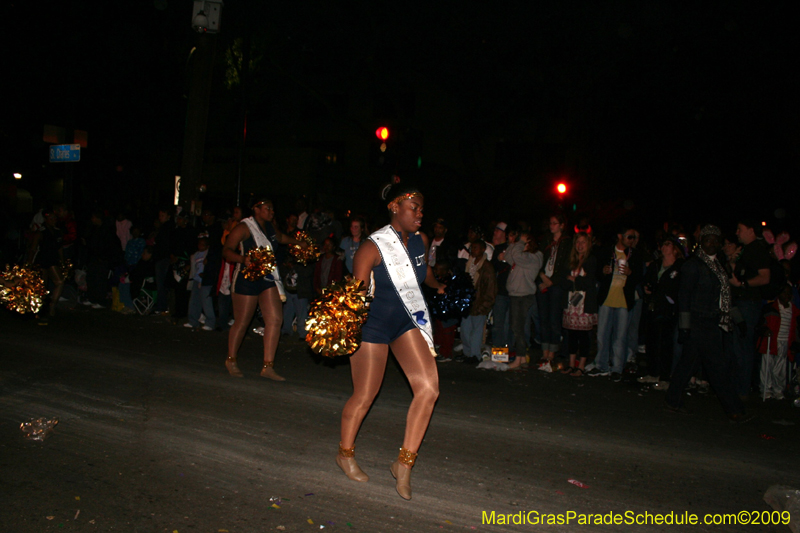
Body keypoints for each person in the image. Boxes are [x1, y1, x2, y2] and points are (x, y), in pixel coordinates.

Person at [336, 183, 445, 500]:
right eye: (415, 208)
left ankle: (404, 464)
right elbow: (356, 293)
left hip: (405, 323)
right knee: (365, 394)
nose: (420, 215)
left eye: (422, 209)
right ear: (395, 208)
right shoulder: (372, 247)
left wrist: (439, 286)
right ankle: (344, 453)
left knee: (429, 388)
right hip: (373, 327)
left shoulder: (422, 240)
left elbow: (421, 274)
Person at [666, 225, 752, 422]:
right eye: (708, 240)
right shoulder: (693, 265)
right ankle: (734, 409)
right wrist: (685, 326)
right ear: (701, 242)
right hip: (699, 322)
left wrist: (738, 319)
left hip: (712, 322)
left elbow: (726, 296)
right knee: (717, 367)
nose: (712, 244)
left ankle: (672, 400)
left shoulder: (720, 265)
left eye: (715, 240)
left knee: (688, 364)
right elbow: (684, 297)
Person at [223, 198, 308, 381]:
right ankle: (231, 359)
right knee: (242, 321)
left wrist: (298, 243)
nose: (272, 212)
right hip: (247, 278)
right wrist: (242, 259)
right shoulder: (244, 227)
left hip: (268, 277)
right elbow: (227, 250)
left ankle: (268, 366)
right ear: (256, 209)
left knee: (275, 320)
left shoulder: (270, 227)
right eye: (268, 208)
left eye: (272, 208)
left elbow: (281, 238)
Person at [729, 218, 771, 398]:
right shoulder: (745, 250)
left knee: (743, 346)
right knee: (736, 344)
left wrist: (743, 285)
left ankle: (742, 389)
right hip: (740, 302)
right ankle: (737, 386)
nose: (737, 232)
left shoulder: (758, 250)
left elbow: (764, 277)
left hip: (748, 303)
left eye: (740, 228)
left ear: (751, 230)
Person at [637, 237, 683, 388]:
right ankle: (652, 373)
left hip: (668, 310)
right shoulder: (656, 264)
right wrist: (647, 288)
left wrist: (662, 290)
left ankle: (665, 377)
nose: (664, 247)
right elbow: (646, 281)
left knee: (665, 343)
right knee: (651, 340)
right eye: (663, 244)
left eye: (668, 244)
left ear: (675, 249)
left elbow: (677, 288)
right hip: (652, 306)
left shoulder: (679, 267)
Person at [558, 232, 597, 377]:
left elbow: (589, 283)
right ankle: (571, 364)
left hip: (584, 304)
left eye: (583, 242)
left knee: (584, 335)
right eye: (577, 242)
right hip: (571, 302)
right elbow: (563, 281)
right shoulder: (571, 260)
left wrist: (573, 279)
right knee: (571, 334)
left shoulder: (591, 260)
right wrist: (576, 280)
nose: (580, 246)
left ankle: (581, 365)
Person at [503, 231, 543, 368]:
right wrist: (514, 243)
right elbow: (508, 256)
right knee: (517, 326)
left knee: (518, 327)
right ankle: (522, 358)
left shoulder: (535, 257)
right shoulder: (522, 256)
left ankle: (520, 358)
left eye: (526, 242)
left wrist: (519, 244)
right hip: (515, 295)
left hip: (524, 296)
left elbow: (517, 256)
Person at [537, 214, 572, 368]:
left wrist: (551, 282)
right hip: (544, 282)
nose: (551, 226)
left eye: (555, 223)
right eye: (550, 223)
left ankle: (553, 351)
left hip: (556, 284)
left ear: (562, 225)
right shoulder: (545, 240)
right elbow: (537, 259)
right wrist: (541, 277)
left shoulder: (567, 243)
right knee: (543, 318)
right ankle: (544, 351)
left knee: (554, 319)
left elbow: (566, 266)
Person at [457, 239, 496, 364]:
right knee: (465, 330)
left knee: (476, 332)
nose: (473, 250)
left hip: (479, 304)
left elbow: (491, 289)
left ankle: (474, 355)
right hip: (468, 303)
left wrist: (484, 306)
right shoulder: (470, 263)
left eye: (476, 248)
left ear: (483, 249)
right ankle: (468, 353)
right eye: (472, 247)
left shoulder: (487, 267)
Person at [756, 284, 798, 400]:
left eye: (789, 293)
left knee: (780, 368)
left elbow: (795, 328)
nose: (787, 295)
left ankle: (778, 390)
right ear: (779, 294)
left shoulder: (793, 310)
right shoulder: (771, 307)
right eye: (784, 292)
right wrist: (765, 330)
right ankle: (766, 390)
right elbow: (761, 323)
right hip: (771, 341)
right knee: (767, 366)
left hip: (785, 342)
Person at [28, 207, 65, 321]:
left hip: (53, 259)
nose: (54, 220)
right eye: (51, 218)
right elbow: (33, 248)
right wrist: (29, 263)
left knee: (60, 281)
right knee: (42, 285)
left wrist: (62, 261)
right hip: (42, 259)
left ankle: (52, 304)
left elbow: (60, 248)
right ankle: (40, 308)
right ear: (46, 219)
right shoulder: (41, 231)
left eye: (55, 218)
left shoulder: (58, 231)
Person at [185, 237, 216, 331]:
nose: (200, 246)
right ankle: (193, 321)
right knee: (194, 301)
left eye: (202, 245)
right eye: (199, 244)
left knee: (206, 302)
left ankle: (210, 323)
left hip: (206, 281)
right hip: (197, 279)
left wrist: (205, 275)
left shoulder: (209, 254)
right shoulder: (195, 255)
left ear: (207, 246)